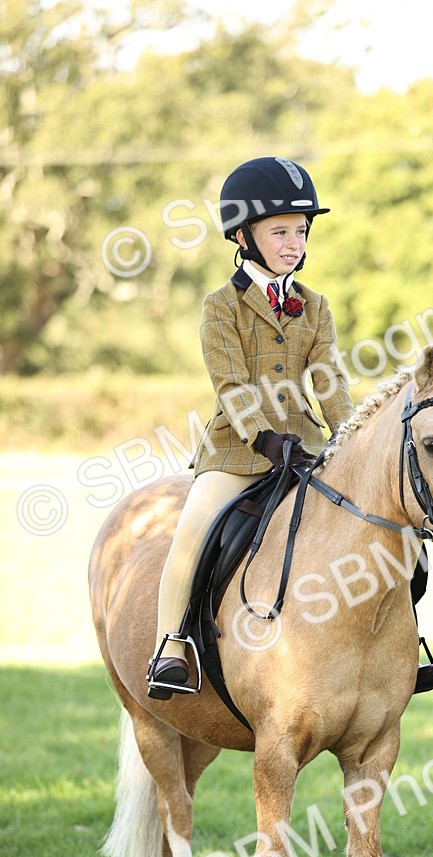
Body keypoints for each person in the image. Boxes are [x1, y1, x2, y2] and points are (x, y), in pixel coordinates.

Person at [147, 155, 354, 698]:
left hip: (305, 447)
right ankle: (170, 645)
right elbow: (231, 384)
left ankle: (401, 643)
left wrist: (350, 436)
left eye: (302, 231)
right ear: (243, 234)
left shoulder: (315, 305)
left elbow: (328, 378)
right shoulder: (221, 307)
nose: (294, 243)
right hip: (239, 451)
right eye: (280, 231)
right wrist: (263, 435)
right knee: (192, 531)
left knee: (378, 517)